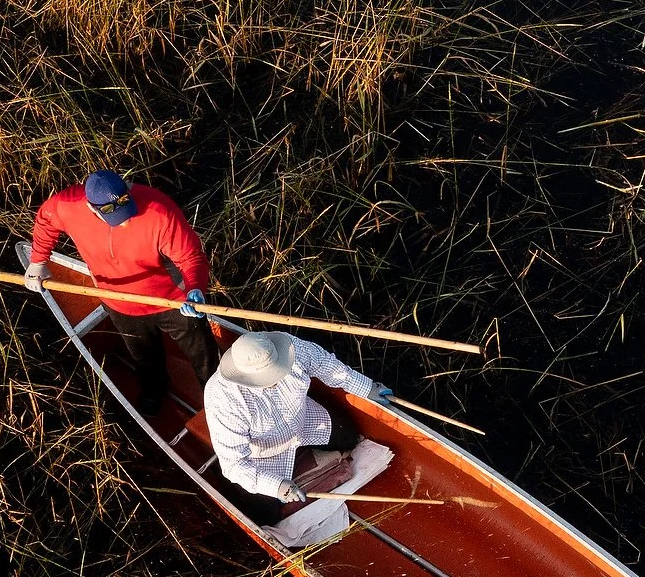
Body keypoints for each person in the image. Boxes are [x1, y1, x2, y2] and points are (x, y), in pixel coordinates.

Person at [26, 170, 218, 409]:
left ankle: (218, 400)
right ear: (92, 208)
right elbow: (46, 219)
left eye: (126, 203)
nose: (125, 219)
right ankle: (155, 390)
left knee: (203, 353)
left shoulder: (158, 210)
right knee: (143, 355)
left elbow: (190, 257)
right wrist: (38, 262)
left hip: (173, 300)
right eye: (112, 213)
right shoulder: (67, 205)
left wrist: (195, 288)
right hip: (120, 301)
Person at [204, 330, 394, 524]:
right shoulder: (223, 398)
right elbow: (234, 464)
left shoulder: (288, 348)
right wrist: (276, 486)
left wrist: (367, 387)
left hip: (304, 421)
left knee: (349, 437)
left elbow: (326, 365)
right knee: (265, 516)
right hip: (264, 454)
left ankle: (303, 453)